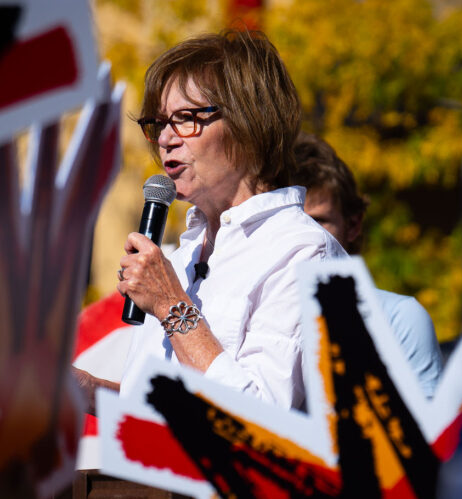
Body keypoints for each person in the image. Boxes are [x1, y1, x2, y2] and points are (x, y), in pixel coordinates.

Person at [74, 30, 345, 413]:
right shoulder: (184, 254)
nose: (165, 138)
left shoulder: (302, 251)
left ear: (250, 123)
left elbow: (260, 418)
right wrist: (89, 390)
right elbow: (174, 411)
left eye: (185, 119)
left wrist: (171, 305)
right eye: (159, 123)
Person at [293, 132, 443, 398]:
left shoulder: (399, 320)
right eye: (291, 223)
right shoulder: (244, 316)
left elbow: (427, 436)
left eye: (318, 221)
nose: (304, 237)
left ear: (353, 224)